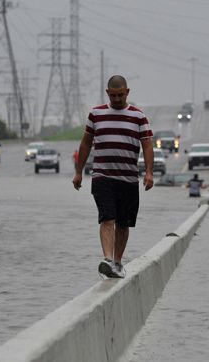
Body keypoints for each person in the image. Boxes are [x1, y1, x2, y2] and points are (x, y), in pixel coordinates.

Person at [72, 75, 154, 279]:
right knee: (107, 217)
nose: (117, 99)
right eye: (113, 95)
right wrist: (78, 172)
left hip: (128, 178)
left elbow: (147, 145)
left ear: (127, 92)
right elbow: (85, 143)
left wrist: (149, 172)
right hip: (102, 176)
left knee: (124, 223)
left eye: (121, 95)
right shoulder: (96, 114)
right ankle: (108, 259)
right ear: (107, 93)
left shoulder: (138, 116)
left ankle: (117, 262)